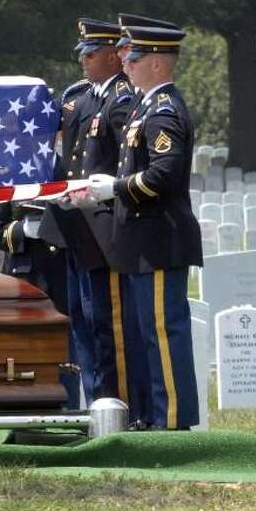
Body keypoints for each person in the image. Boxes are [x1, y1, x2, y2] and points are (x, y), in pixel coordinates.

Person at [88, 22, 202, 430]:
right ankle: (152, 415)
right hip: (143, 240)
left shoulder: (164, 109)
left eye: (133, 58)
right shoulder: (144, 106)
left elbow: (163, 175)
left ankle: (170, 420)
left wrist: (113, 189)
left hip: (159, 238)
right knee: (144, 335)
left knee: (162, 332)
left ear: (155, 62)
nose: (125, 63)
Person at [41, 18, 136, 408]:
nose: (84, 61)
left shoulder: (122, 99)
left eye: (92, 53)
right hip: (78, 224)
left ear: (114, 56)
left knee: (103, 323)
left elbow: (124, 163)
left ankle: (109, 401)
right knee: (80, 319)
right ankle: (91, 400)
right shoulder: (85, 96)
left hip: (103, 226)